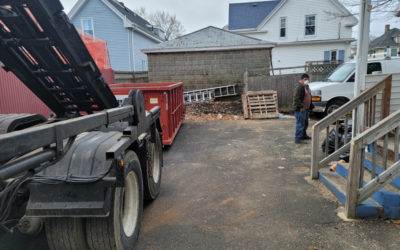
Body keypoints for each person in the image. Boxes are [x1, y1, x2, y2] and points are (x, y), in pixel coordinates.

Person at [293, 74, 314, 144]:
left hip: (306, 109)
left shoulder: (306, 87)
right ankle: (298, 139)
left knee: (305, 124)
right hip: (300, 109)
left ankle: (303, 135)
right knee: (300, 124)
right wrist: (301, 107)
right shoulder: (299, 87)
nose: (306, 81)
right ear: (302, 79)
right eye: (305, 79)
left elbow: (308, 96)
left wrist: (310, 105)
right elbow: (296, 98)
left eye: (307, 79)